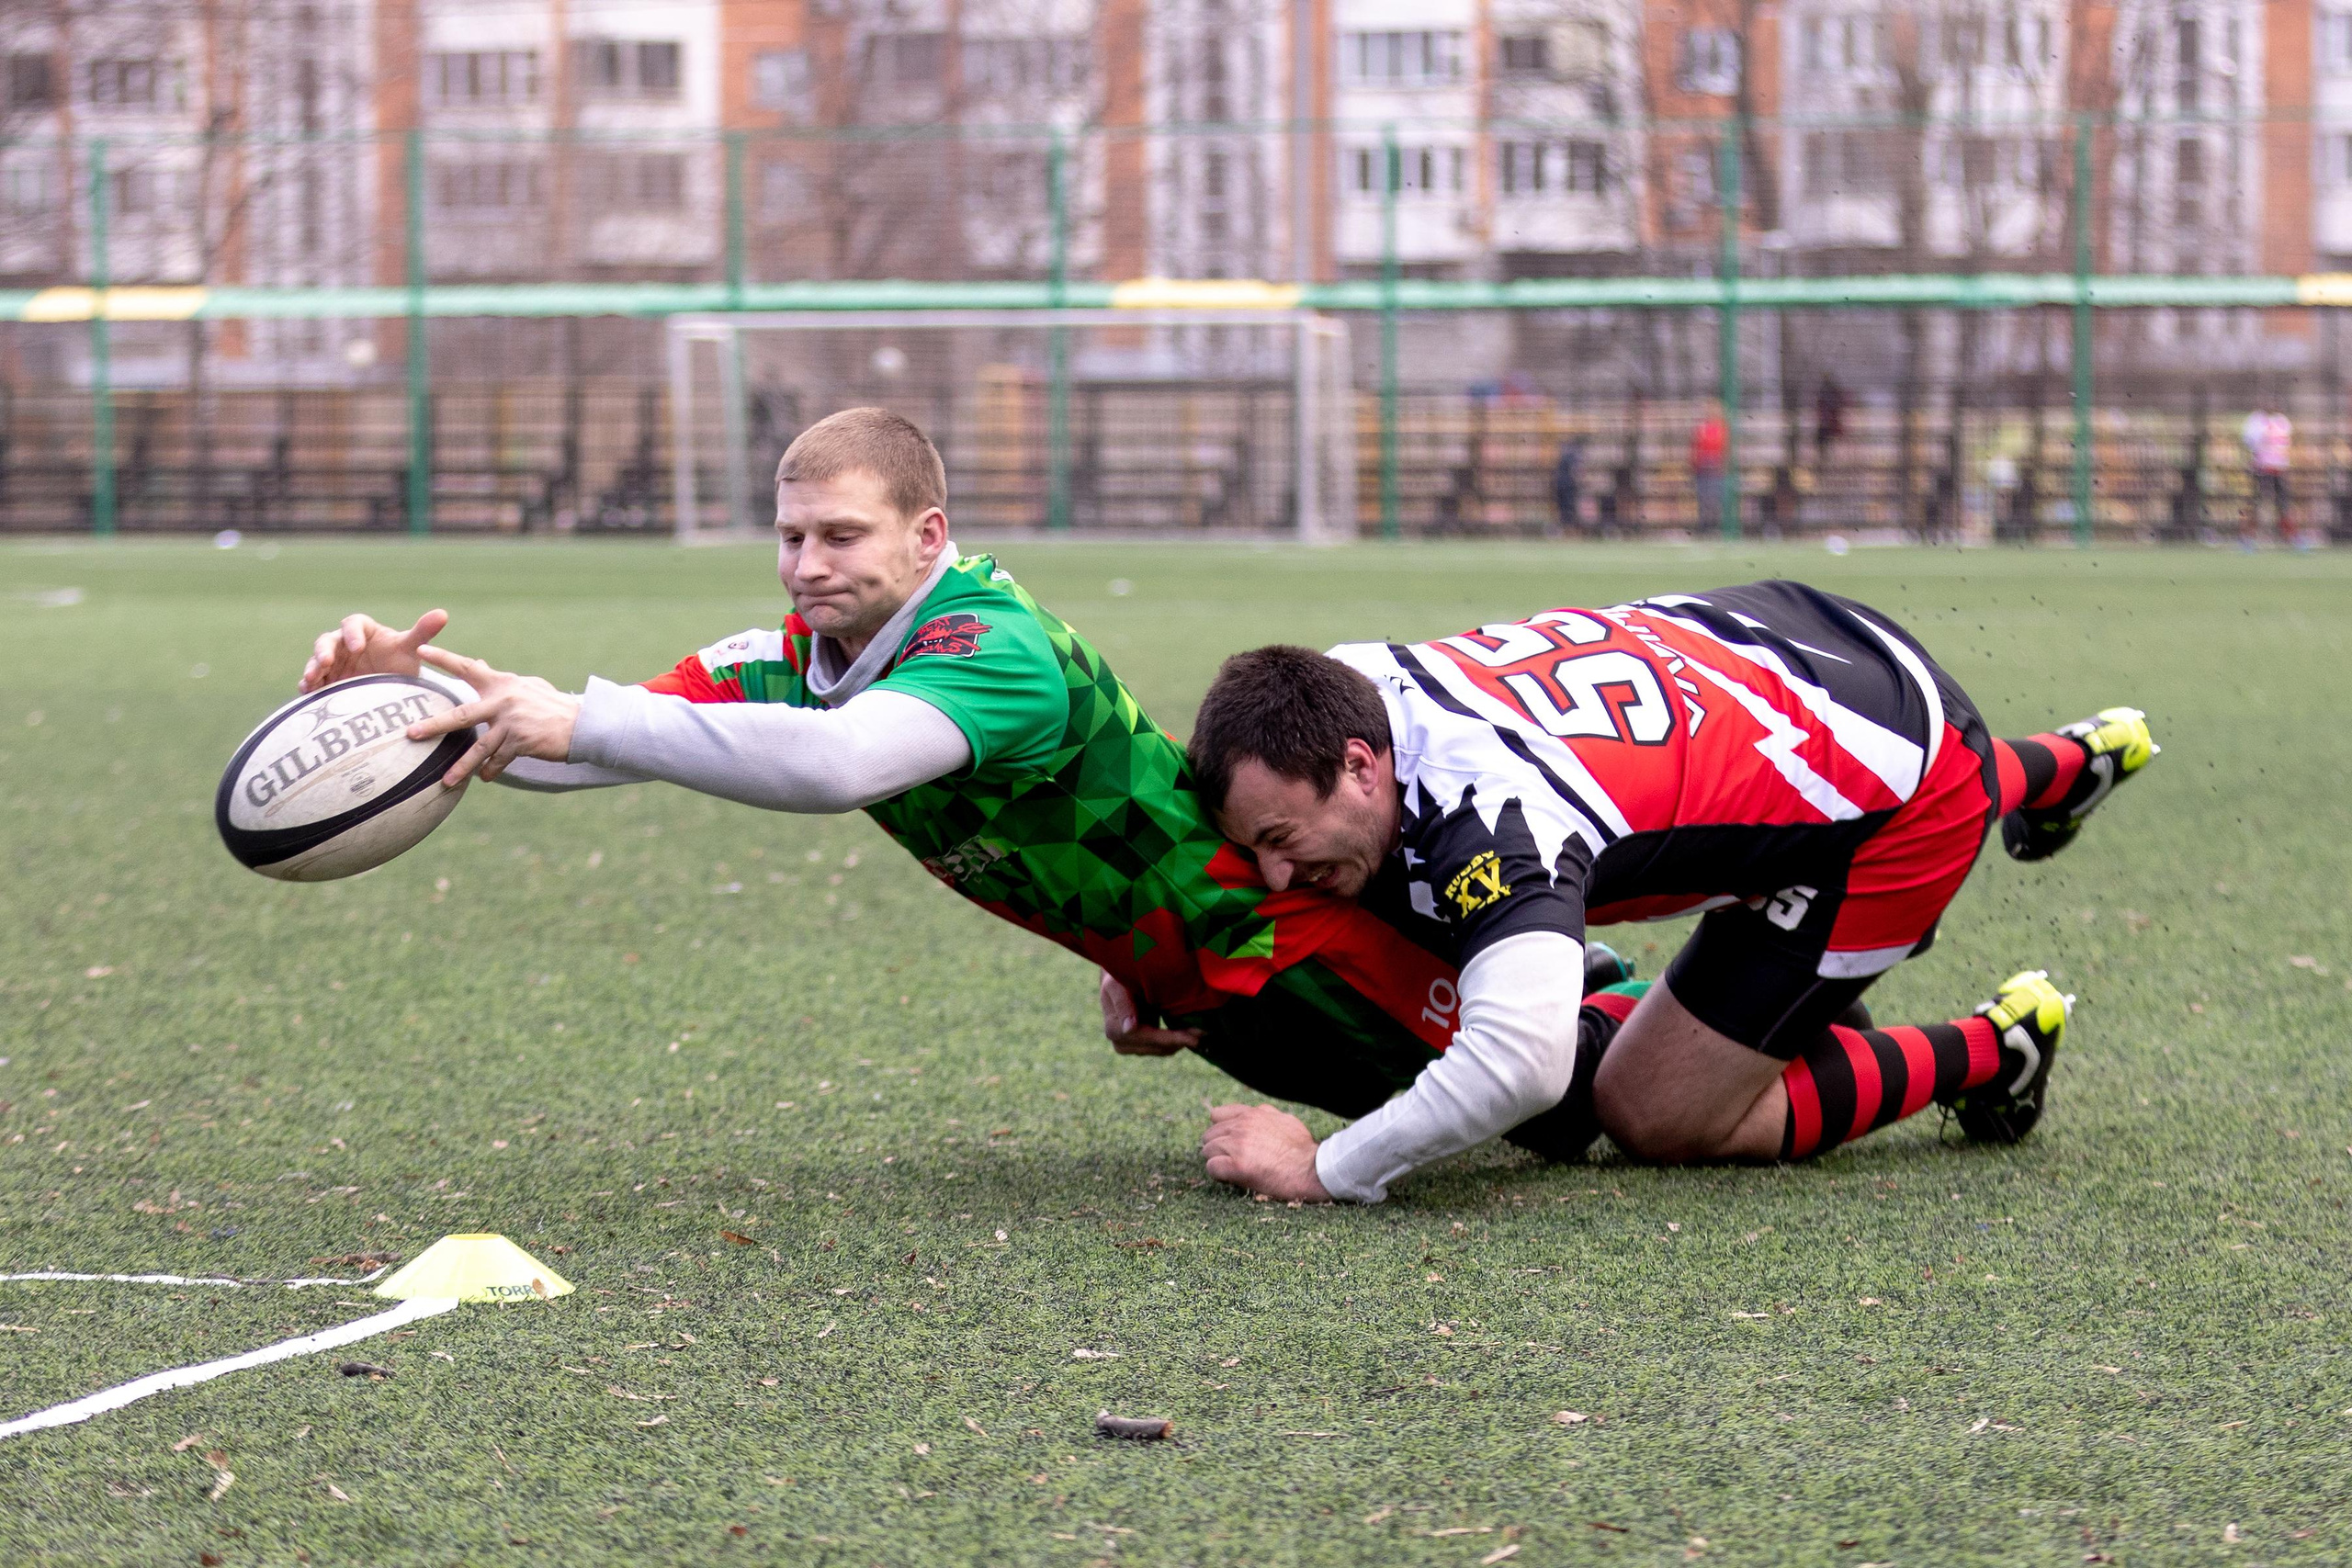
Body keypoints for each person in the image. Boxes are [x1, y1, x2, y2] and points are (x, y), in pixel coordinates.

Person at [296, 407, 1467, 1102]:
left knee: (1551, 1103)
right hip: (1199, 997)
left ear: (927, 536)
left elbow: (838, 764)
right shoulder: (784, 657)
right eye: (790, 536)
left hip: (1304, 944)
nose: (807, 565)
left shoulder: (994, 644)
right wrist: (410, 709)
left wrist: (584, 717)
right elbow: (575, 753)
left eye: (842, 535)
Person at [1182, 581, 2159, 1204]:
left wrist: (1324, 1168)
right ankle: (2061, 766)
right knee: (1415, 893)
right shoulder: (1351, 683)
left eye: (1279, 842)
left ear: (1360, 765)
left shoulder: (1499, 826)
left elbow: (1519, 1066)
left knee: (1649, 1109)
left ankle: (1995, 1051)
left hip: (1905, 809)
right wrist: (1146, 958)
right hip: (1806, 644)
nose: (1273, 875)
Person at [2240, 403, 2292, 548]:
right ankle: (2248, 536)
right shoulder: (2255, 421)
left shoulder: (2282, 421)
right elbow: (2249, 443)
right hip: (2262, 469)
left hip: (2279, 469)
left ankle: (2289, 536)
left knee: (2283, 504)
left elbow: (2285, 446)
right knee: (2256, 502)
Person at [1690, 409, 1728, 531]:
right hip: (1702, 469)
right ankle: (1704, 526)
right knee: (1703, 498)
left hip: (1716, 469)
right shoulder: (1701, 428)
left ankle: (1715, 525)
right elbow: (1695, 448)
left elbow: (1726, 449)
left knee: (1716, 498)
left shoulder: (1722, 428)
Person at [1550, 440, 1583, 536]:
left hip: (1561, 485)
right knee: (1568, 507)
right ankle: (1568, 530)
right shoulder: (1572, 456)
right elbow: (1576, 471)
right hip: (1567, 486)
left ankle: (1566, 530)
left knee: (1564, 508)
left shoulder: (1564, 456)